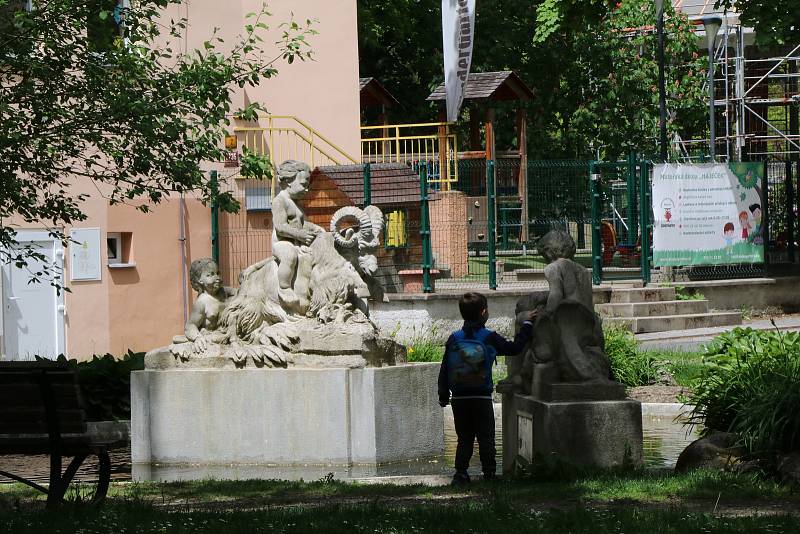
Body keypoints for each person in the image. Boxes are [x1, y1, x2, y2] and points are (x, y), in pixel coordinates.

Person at [438, 292, 535, 484]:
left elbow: (445, 368)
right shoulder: (488, 337)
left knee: (464, 438)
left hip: (459, 399)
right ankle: (489, 474)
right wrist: (527, 325)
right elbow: (514, 348)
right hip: (481, 397)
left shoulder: (454, 338)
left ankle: (461, 474)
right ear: (484, 313)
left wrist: (443, 395)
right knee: (486, 437)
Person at [271, 160, 324, 310]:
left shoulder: (295, 203)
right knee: (290, 256)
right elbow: (280, 227)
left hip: (296, 242)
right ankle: (284, 287)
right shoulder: (279, 201)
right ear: (288, 181)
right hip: (281, 243)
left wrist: (317, 229)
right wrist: (301, 235)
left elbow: (303, 223)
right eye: (303, 184)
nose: (306, 190)